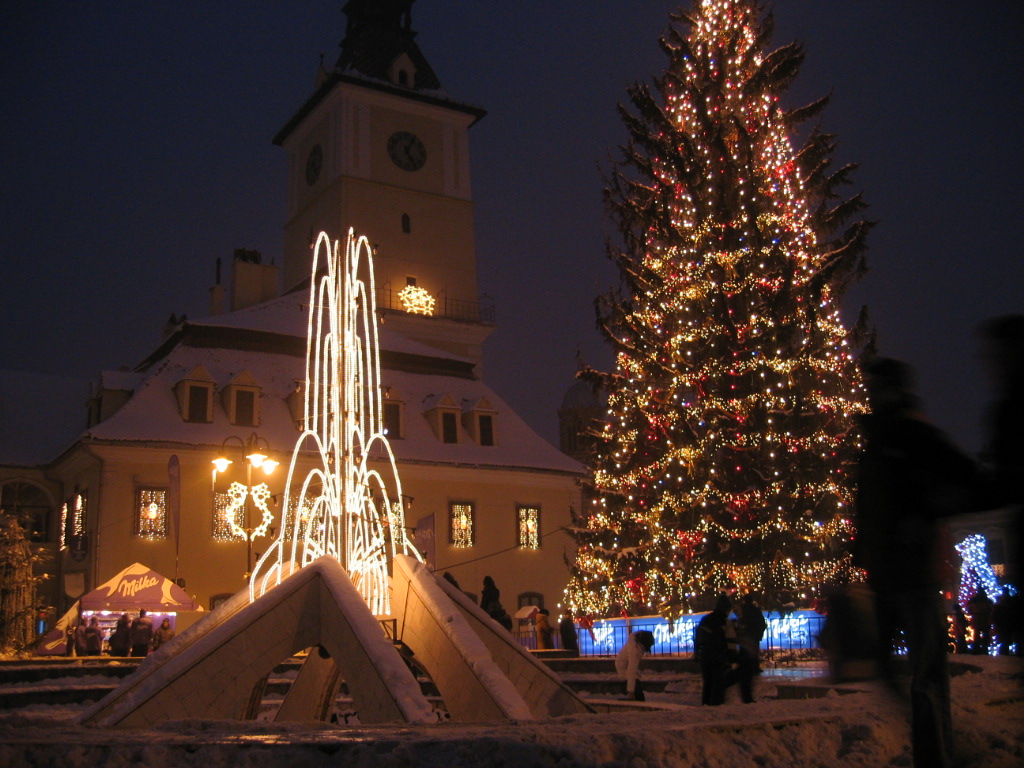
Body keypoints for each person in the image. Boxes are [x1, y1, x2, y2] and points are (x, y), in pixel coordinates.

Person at [855, 357, 979, 768]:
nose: (870, 391)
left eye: (877, 384)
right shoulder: (875, 442)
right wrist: (863, 552)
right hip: (885, 577)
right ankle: (939, 746)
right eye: (869, 384)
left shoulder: (914, 434)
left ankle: (937, 756)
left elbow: (965, 478)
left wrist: (922, 517)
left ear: (894, 388)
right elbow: (869, 508)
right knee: (888, 670)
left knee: (925, 678)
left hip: (917, 577)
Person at [695, 593, 743, 705]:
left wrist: (698, 653)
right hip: (718, 655)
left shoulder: (705, 619)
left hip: (705, 654)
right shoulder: (725, 622)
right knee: (718, 681)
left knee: (708, 681)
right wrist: (732, 658)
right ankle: (716, 704)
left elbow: (698, 637)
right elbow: (731, 642)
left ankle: (706, 703)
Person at [615, 629, 655, 701]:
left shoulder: (636, 643)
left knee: (637, 687)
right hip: (623, 668)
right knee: (638, 692)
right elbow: (631, 670)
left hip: (623, 666)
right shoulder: (635, 651)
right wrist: (631, 691)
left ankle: (634, 697)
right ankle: (632, 697)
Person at [967, 590, 994, 655]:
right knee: (985, 634)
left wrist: (973, 612)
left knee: (976, 634)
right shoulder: (988, 601)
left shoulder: (973, 601)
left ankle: (976, 649)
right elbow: (991, 609)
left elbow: (969, 610)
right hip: (985, 619)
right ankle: (985, 649)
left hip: (976, 619)